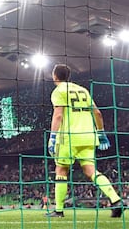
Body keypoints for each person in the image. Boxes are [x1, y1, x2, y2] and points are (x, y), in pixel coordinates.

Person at [46, 64, 123, 218]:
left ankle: (59, 210)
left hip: (68, 136)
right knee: (91, 171)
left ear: (55, 76)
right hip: (88, 135)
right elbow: (98, 113)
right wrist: (101, 133)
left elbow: (58, 115)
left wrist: (52, 137)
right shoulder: (83, 90)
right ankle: (116, 200)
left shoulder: (58, 91)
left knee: (61, 170)